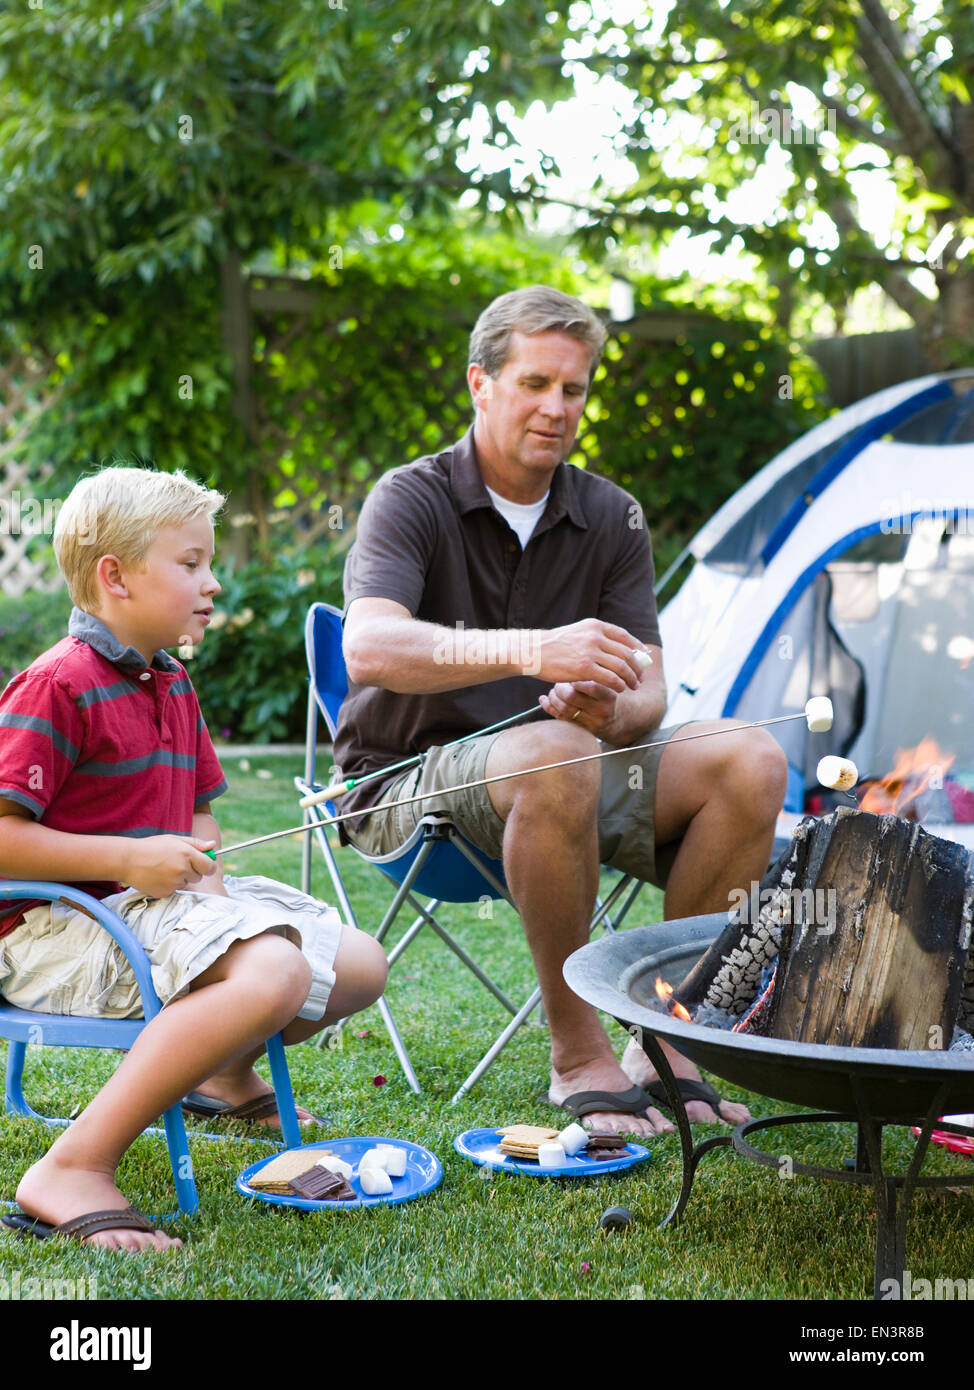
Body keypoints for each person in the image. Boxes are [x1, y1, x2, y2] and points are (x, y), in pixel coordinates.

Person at [334, 285, 786, 1138]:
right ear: (480, 383)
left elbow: (649, 690)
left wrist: (612, 710)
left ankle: (666, 1041)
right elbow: (370, 649)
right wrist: (531, 650)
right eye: (535, 384)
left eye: (573, 390)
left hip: (566, 769)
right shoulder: (412, 496)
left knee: (750, 756)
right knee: (554, 752)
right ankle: (578, 1054)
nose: (556, 408)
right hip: (407, 785)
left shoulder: (612, 514)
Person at [0, 467, 387, 1251]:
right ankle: (71, 1167)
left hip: (149, 914)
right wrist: (127, 859)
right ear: (115, 576)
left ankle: (221, 1076)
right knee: (275, 972)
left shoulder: (173, 682)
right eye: (191, 563)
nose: (213, 582)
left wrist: (207, 868)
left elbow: (201, 815)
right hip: (49, 928)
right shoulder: (55, 687)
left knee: (357, 963)